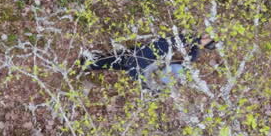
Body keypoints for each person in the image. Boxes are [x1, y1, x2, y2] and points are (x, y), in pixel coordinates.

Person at [83, 34, 215, 91]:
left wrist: (197, 42)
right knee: (122, 61)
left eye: (207, 37)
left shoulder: (183, 44)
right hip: (144, 71)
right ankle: (90, 63)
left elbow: (179, 43)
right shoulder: (188, 55)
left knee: (123, 60)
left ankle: (90, 62)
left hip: (144, 64)